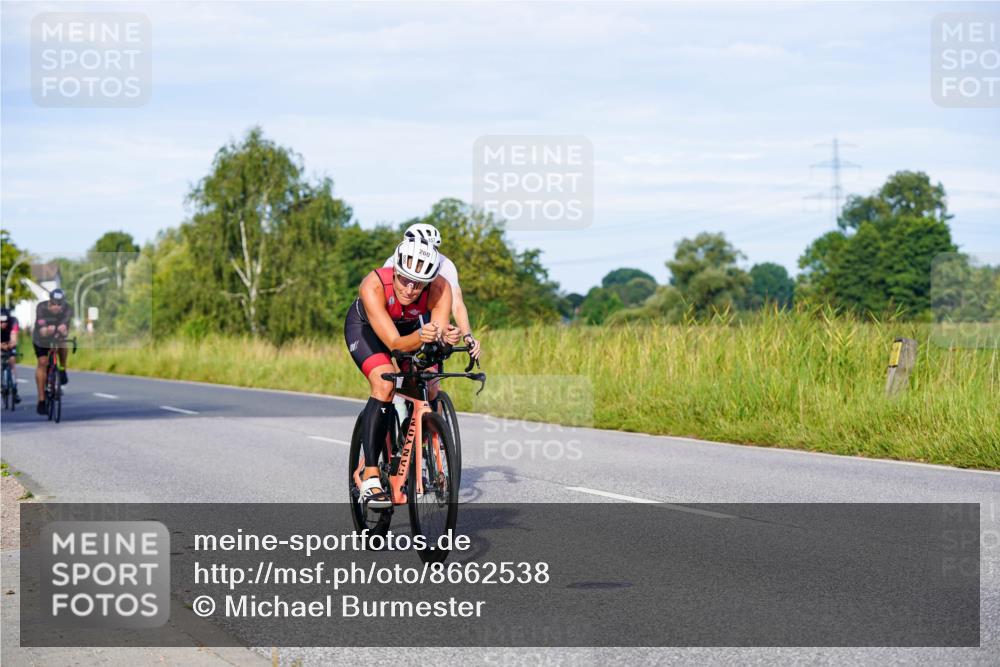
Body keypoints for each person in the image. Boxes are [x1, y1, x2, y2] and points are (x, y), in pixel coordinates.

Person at [345, 238, 461, 508]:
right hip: (368, 331)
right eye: (405, 280)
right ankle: (371, 474)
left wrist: (447, 338)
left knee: (428, 383)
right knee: (385, 383)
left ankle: (406, 444)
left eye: (419, 284)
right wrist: (422, 335)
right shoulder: (373, 284)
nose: (410, 289)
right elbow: (396, 344)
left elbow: (438, 335)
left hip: (410, 331)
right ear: (395, 270)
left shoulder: (440, 288)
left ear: (430, 281)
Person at [383, 223, 481, 359]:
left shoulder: (445, 264)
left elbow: (457, 304)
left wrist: (468, 336)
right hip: (398, 314)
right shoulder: (394, 261)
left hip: (426, 311)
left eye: (433, 249)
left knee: (432, 360)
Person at [32, 288, 73, 415]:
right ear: (49, 301)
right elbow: (42, 330)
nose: (56, 307)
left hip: (57, 337)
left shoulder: (67, 308)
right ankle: (42, 400)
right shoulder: (41, 307)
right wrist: (47, 330)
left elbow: (65, 327)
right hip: (41, 338)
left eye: (59, 304)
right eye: (53, 304)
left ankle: (62, 369)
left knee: (63, 342)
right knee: (43, 362)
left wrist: (62, 329)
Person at [0, 307, 22, 404]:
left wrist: (10, 345)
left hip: (9, 342)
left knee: (12, 360)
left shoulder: (13, 321)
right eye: (0, 322)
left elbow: (14, 338)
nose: (2, 324)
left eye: (5, 322)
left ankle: (14, 388)